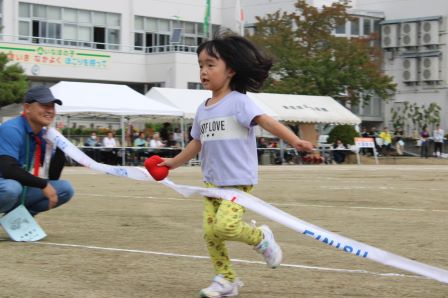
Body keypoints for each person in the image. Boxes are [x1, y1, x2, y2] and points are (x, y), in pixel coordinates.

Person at [158, 33, 313, 297]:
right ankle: (226, 279)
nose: (203, 71)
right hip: (211, 183)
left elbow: (267, 122)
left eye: (210, 64)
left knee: (225, 227)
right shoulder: (203, 108)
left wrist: (295, 140)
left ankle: (260, 238)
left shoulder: (239, 102)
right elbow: (196, 144)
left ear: (230, 69)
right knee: (211, 233)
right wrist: (172, 163)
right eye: (200, 65)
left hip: (237, 180)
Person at [0, 86, 74, 216]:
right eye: (45, 105)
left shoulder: (42, 134)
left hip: (13, 185)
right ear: (27, 108)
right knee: (11, 188)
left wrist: (60, 148)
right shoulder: (12, 129)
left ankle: (17, 222)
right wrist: (43, 185)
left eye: (52, 106)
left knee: (64, 189)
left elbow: (53, 176)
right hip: (6, 184)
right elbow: (9, 169)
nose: (50, 111)